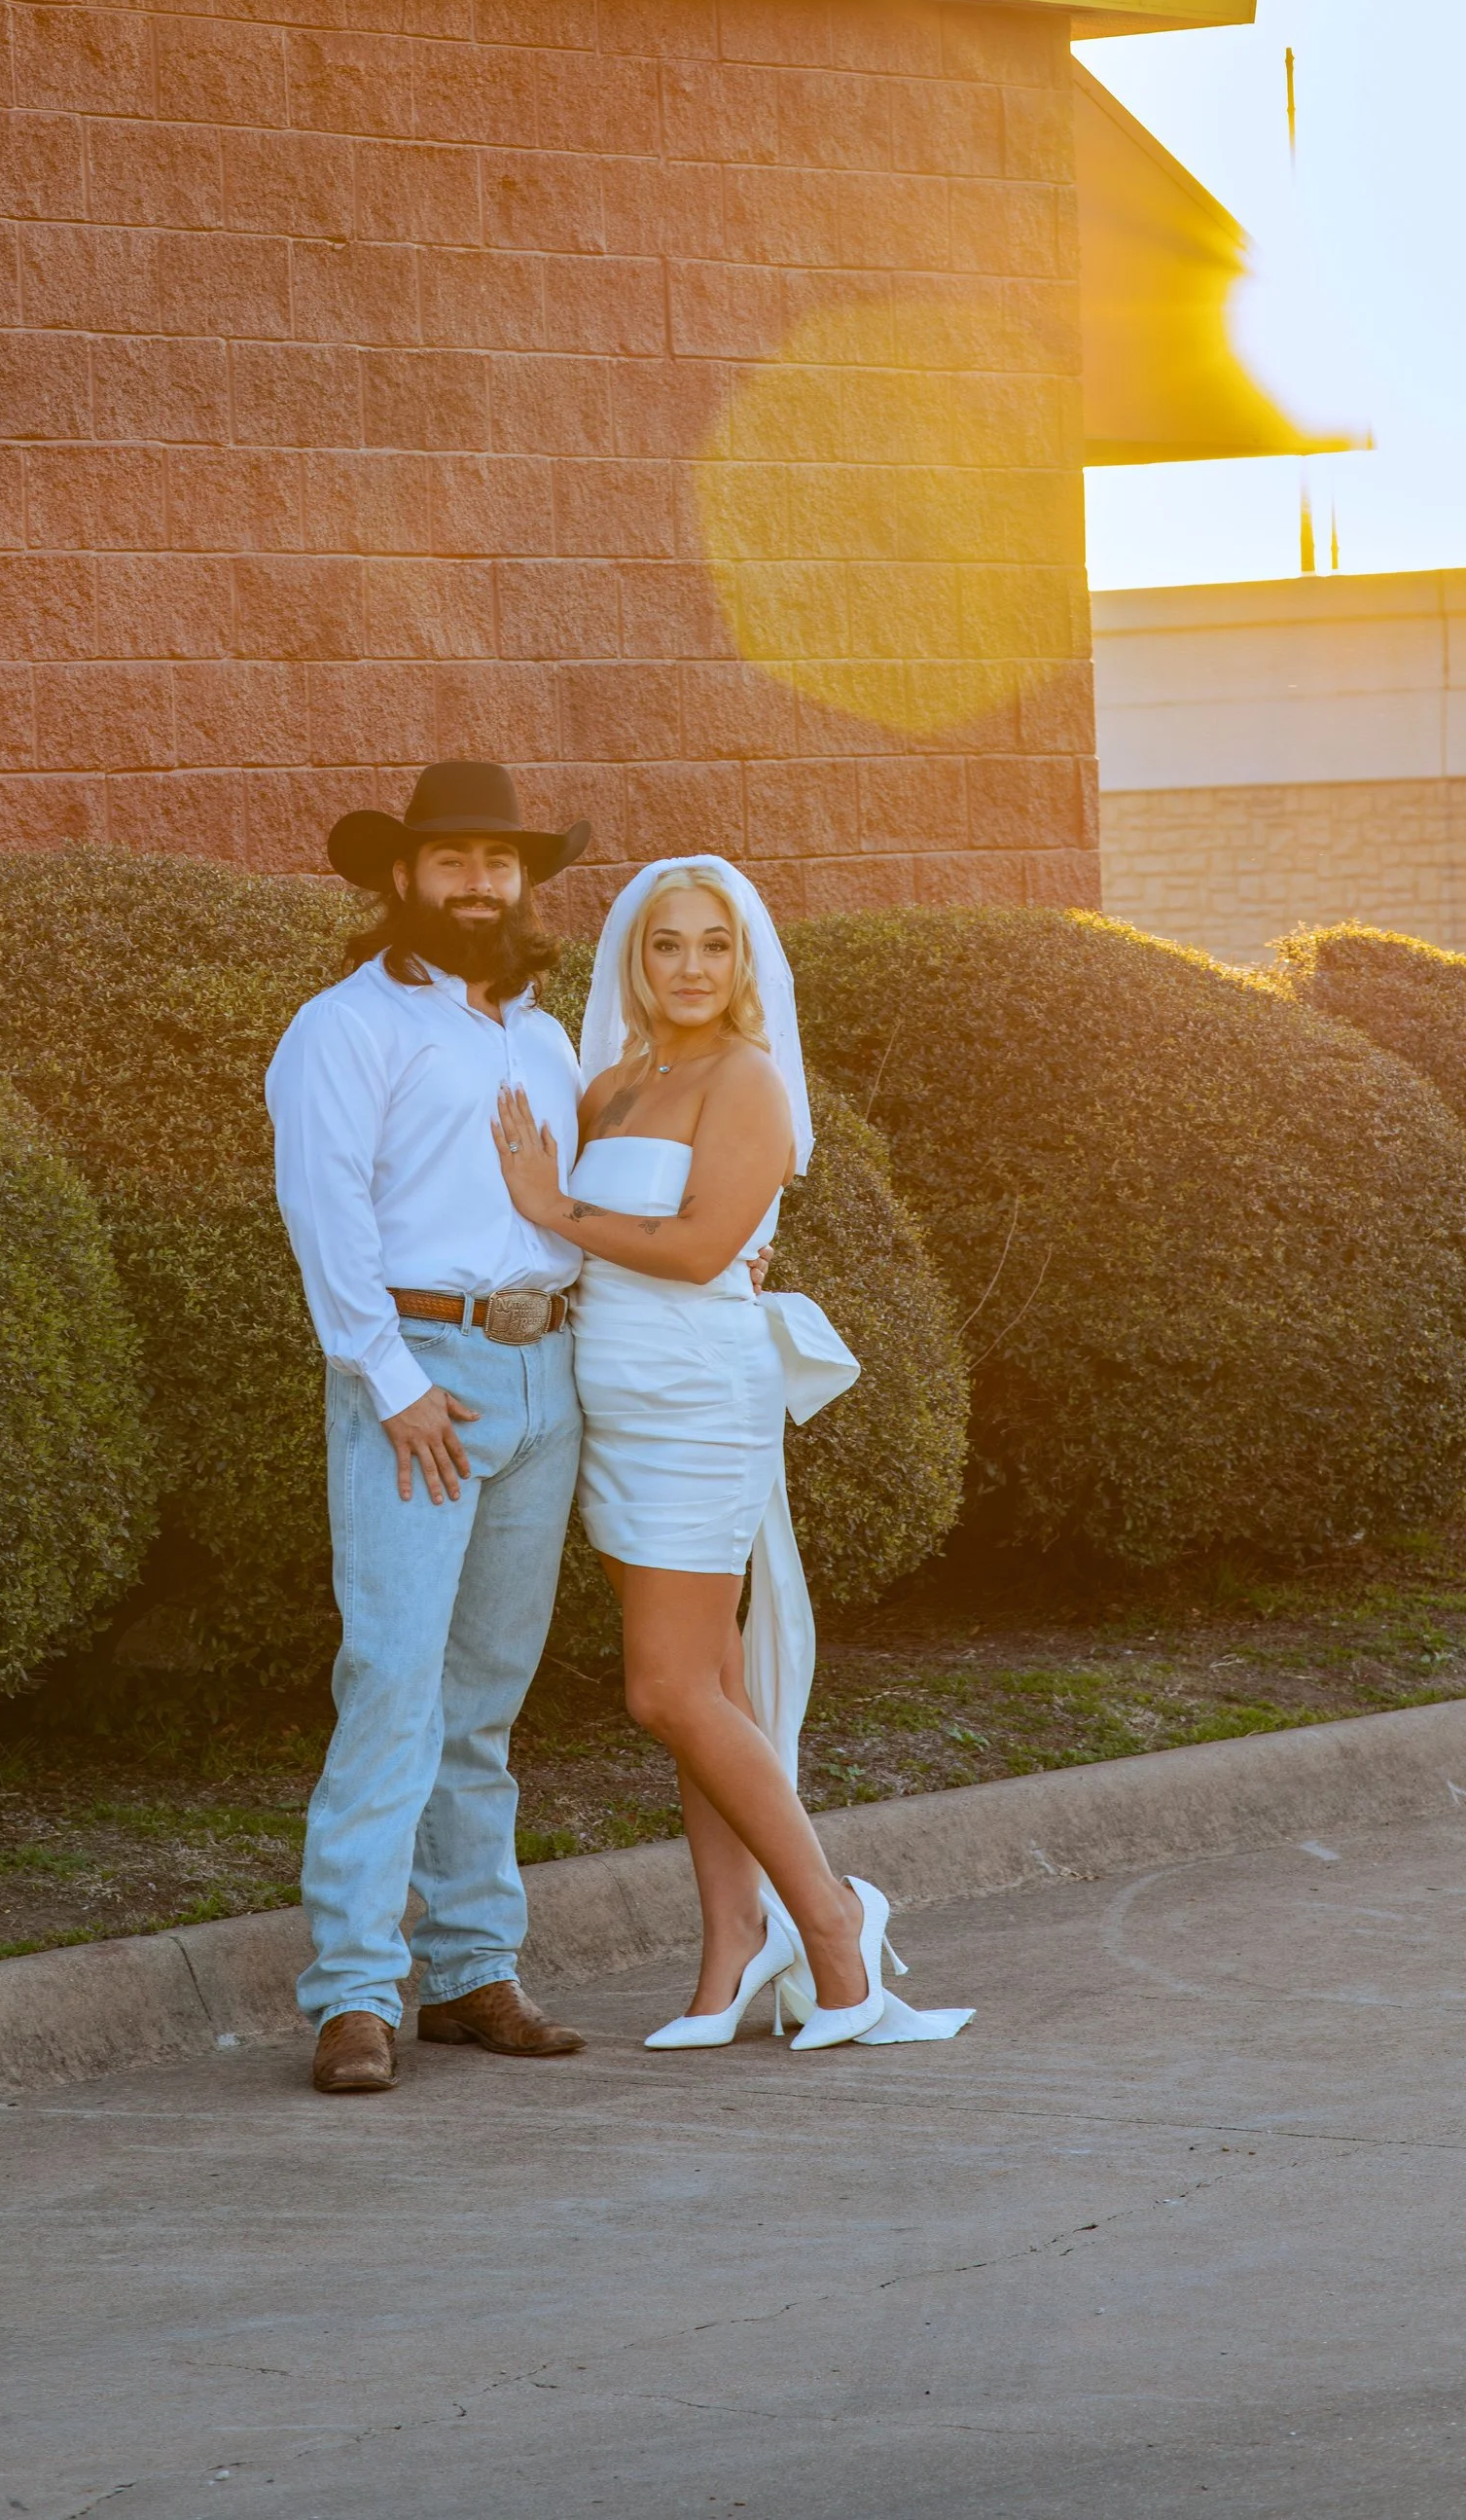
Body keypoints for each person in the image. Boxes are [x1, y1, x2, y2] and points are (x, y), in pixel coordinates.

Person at [492, 856, 973, 2055]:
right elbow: (599, 1248)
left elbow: (703, 1248)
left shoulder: (748, 1078)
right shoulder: (610, 1083)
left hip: (697, 1399)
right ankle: (729, 1952)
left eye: (715, 944)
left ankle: (834, 1926)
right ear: (633, 958)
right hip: (611, 1402)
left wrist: (552, 1207)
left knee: (662, 1691)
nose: (691, 966)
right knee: (706, 1691)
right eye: (668, 944)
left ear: (744, 960)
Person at [268, 759, 592, 2099]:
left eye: (497, 861)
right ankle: (354, 1992)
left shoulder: (546, 1037)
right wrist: (389, 1378)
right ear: (401, 875)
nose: (476, 883)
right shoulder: (344, 1027)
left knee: (485, 1696)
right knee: (394, 1680)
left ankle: (470, 1971)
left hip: (543, 1374)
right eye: (450, 860)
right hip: (419, 1378)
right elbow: (324, 1206)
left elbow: (579, 1201)